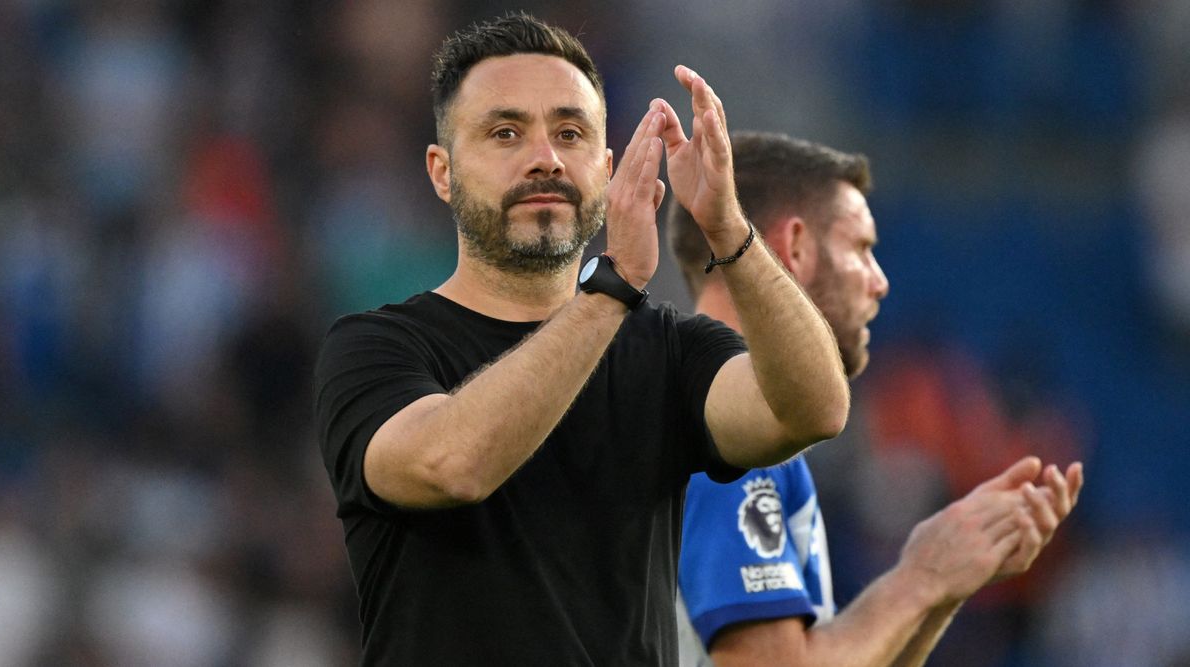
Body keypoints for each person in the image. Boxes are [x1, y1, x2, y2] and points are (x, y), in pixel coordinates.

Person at [313, 14, 851, 666]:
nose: (545, 158)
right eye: (505, 133)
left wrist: (729, 230)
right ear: (442, 171)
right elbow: (454, 463)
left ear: (605, 167)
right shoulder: (375, 348)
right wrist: (614, 287)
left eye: (570, 133)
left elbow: (813, 408)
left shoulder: (669, 352)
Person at [669, 132, 1085, 667]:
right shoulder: (730, 428)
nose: (880, 282)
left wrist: (945, 579)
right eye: (861, 249)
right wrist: (921, 579)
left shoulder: (694, 399)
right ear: (795, 248)